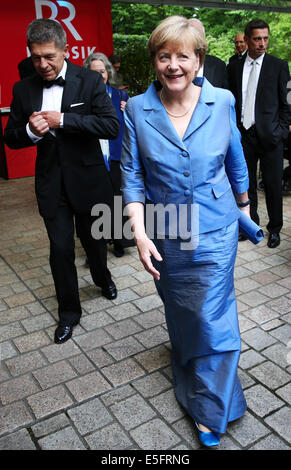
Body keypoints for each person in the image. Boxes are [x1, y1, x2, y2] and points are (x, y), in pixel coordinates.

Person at [121, 16, 249, 447]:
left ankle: (211, 410)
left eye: (183, 55)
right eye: (164, 56)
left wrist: (245, 207)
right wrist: (139, 233)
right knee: (184, 313)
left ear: (198, 60)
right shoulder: (137, 110)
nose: (173, 64)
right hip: (164, 231)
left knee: (214, 319)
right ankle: (189, 358)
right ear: (155, 61)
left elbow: (235, 160)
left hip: (216, 230)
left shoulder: (223, 101)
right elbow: (132, 177)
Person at [4, 19, 120, 344]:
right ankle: (69, 313)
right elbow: (11, 137)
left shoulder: (89, 81)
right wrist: (29, 131)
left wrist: (65, 120)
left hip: (89, 180)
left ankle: (103, 276)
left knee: (95, 243)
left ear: (66, 51)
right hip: (51, 184)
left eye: (50, 57)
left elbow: (110, 126)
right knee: (60, 249)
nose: (42, 65)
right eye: (36, 57)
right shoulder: (23, 87)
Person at [227, 19, 290, 248]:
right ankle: (250, 224)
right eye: (257, 39)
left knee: (273, 184)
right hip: (244, 135)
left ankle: (274, 229)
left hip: (271, 136)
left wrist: (281, 131)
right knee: (245, 183)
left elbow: (288, 103)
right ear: (247, 39)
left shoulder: (278, 65)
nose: (262, 43)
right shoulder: (234, 66)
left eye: (265, 38)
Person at [84, 52, 133, 257]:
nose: (99, 76)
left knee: (117, 198)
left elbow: (130, 126)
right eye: (94, 72)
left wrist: (129, 110)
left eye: (102, 71)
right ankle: (98, 244)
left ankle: (120, 240)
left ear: (108, 72)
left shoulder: (121, 96)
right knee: (96, 200)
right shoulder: (82, 98)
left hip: (115, 155)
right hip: (92, 155)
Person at [189, 19, 228, 89]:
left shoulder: (219, 66)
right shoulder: (173, 67)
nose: (194, 39)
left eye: (198, 34)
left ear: (204, 38)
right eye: (189, 35)